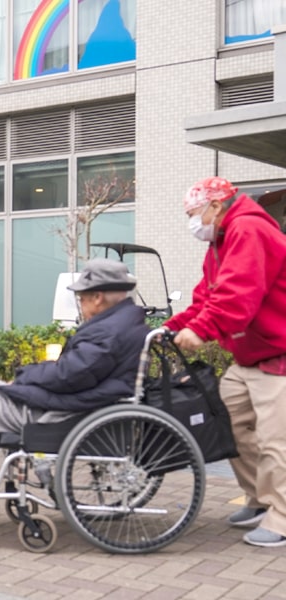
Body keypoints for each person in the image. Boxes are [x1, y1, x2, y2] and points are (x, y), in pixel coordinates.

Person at [0, 258, 150, 515]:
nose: (80, 304)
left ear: (98, 297)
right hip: (76, 403)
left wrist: (25, 375)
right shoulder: (123, 322)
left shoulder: (109, 330)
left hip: (63, 411)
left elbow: (70, 375)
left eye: (81, 298)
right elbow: (75, 372)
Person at [164, 176, 286, 548]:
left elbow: (239, 293)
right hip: (250, 355)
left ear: (216, 206)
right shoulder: (220, 242)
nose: (192, 222)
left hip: (278, 353)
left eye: (193, 213)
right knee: (225, 420)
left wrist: (203, 330)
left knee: (275, 439)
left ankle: (282, 517)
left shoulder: (248, 230)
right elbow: (206, 297)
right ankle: (260, 500)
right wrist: (170, 328)